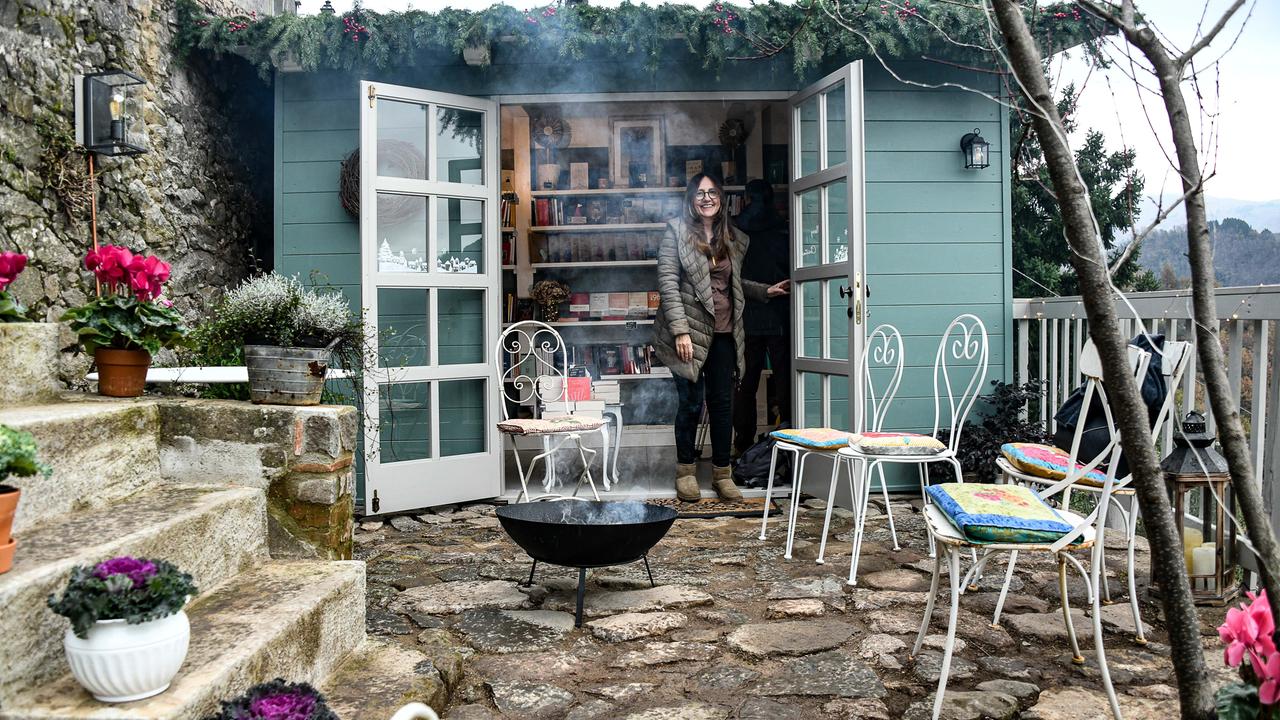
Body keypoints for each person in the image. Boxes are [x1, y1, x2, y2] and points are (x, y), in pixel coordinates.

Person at [653, 173, 790, 502]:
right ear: (691, 200)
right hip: (687, 333)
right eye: (700, 193)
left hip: (725, 333)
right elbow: (668, 285)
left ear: (722, 199)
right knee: (689, 404)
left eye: (712, 192)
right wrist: (681, 332)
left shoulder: (735, 238)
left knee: (722, 405)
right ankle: (685, 471)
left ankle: (721, 474)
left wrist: (764, 291)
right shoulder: (676, 232)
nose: (706, 198)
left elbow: (736, 284)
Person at [732, 179, 791, 455]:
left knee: (746, 383)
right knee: (785, 382)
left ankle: (743, 443)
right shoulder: (783, 229)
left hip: (747, 315)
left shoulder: (735, 230)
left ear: (746, 200)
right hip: (780, 313)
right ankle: (791, 442)